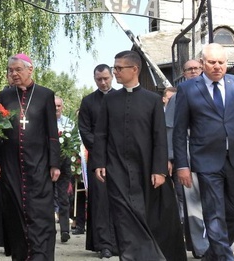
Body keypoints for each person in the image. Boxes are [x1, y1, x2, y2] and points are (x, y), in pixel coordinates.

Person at [173, 43, 234, 261]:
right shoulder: (188, 89)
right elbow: (179, 131)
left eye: (221, 63)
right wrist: (182, 165)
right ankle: (225, 257)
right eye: (212, 62)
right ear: (203, 63)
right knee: (214, 213)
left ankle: (213, 255)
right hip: (206, 160)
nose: (217, 67)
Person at [93, 51, 185, 261]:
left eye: (119, 68)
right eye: (114, 67)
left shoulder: (152, 100)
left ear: (134, 69)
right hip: (116, 168)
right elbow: (101, 133)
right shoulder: (110, 100)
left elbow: (159, 137)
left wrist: (160, 169)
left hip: (145, 169)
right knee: (123, 218)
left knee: (144, 216)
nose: (115, 72)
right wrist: (98, 162)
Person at [0, 53, 61, 260]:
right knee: (15, 214)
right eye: (10, 70)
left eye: (18, 70)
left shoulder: (45, 95)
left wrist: (54, 163)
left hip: (38, 165)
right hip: (11, 166)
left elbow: (52, 132)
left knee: (39, 215)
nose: (13, 74)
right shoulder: (5, 96)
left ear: (30, 70)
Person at [167, 60, 209, 258]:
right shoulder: (178, 96)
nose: (193, 71)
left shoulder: (212, 90)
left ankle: (217, 242)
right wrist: (171, 157)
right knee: (192, 203)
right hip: (188, 154)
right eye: (189, 69)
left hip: (213, 154)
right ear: (183, 74)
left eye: (196, 68)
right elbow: (171, 129)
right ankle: (201, 248)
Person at [77, 64, 117, 258]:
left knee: (120, 201)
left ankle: (121, 241)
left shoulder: (121, 98)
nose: (103, 82)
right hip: (98, 160)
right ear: (94, 79)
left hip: (120, 160)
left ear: (112, 77)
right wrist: (103, 148)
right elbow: (85, 131)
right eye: (99, 79)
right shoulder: (88, 102)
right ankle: (104, 244)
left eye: (106, 78)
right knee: (100, 203)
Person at [54, 97, 74, 243]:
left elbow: (74, 142)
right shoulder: (45, 122)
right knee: (48, 198)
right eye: (54, 106)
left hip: (64, 164)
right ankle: (50, 230)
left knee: (63, 198)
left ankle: (65, 230)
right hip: (48, 165)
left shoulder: (69, 123)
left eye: (59, 105)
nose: (57, 108)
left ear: (63, 106)